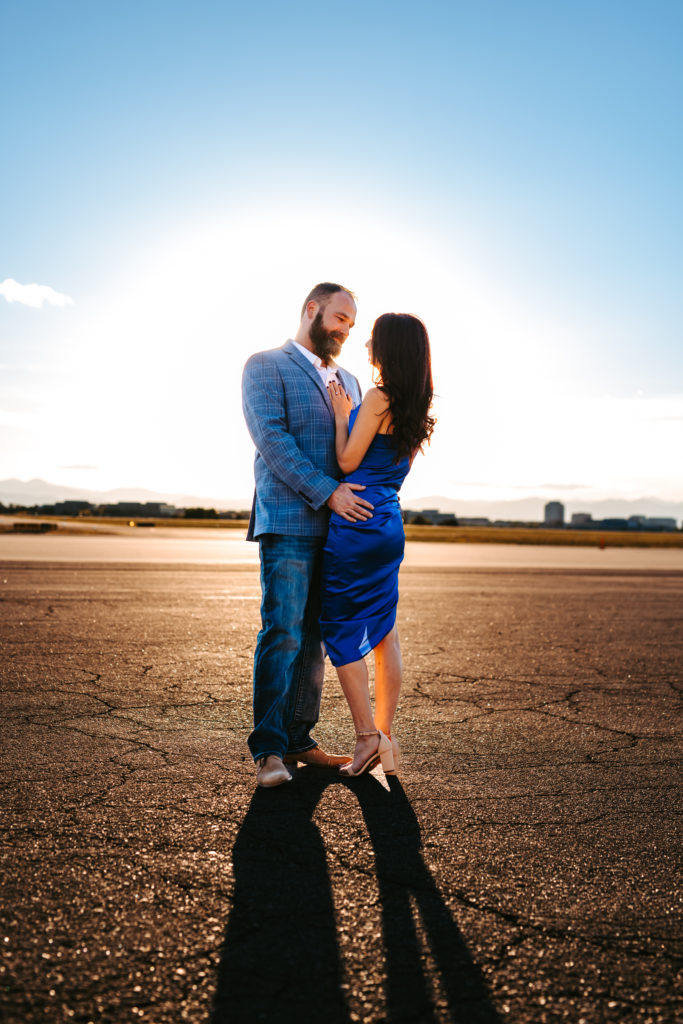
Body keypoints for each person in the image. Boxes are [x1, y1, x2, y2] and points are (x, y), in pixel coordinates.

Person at [241, 283, 374, 787]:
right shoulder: (265, 365)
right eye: (340, 317)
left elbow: (357, 450)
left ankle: (299, 739)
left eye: (352, 324)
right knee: (283, 634)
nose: (345, 329)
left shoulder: (352, 381)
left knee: (316, 639)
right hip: (291, 521)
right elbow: (271, 438)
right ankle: (269, 751)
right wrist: (328, 492)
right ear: (312, 310)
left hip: (341, 531)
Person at [320, 313, 435, 776]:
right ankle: (384, 736)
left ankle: (367, 737)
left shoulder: (376, 398)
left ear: (388, 348)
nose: (366, 342)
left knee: (340, 625)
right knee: (385, 631)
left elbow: (348, 462)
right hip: (389, 521)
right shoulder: (417, 407)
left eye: (374, 338)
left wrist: (341, 415)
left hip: (357, 521)